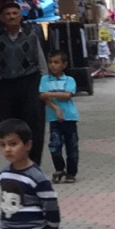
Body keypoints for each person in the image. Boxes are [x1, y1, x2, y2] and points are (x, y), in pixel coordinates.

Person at [0, 1, 47, 129]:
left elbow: (41, 61)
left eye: (15, 13)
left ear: (20, 16)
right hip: (7, 85)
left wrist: (46, 86)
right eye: (7, 14)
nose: (12, 17)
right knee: (8, 124)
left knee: (34, 121)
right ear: (1, 18)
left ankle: (33, 143)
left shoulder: (31, 35)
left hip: (30, 83)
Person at [39, 50, 80, 182]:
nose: (53, 65)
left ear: (64, 64)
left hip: (70, 117)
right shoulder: (45, 79)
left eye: (56, 62)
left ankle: (71, 173)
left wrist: (49, 94)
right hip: (53, 118)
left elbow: (67, 95)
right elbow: (42, 97)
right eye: (50, 62)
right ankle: (59, 168)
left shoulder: (69, 80)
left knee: (71, 147)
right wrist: (56, 108)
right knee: (54, 145)